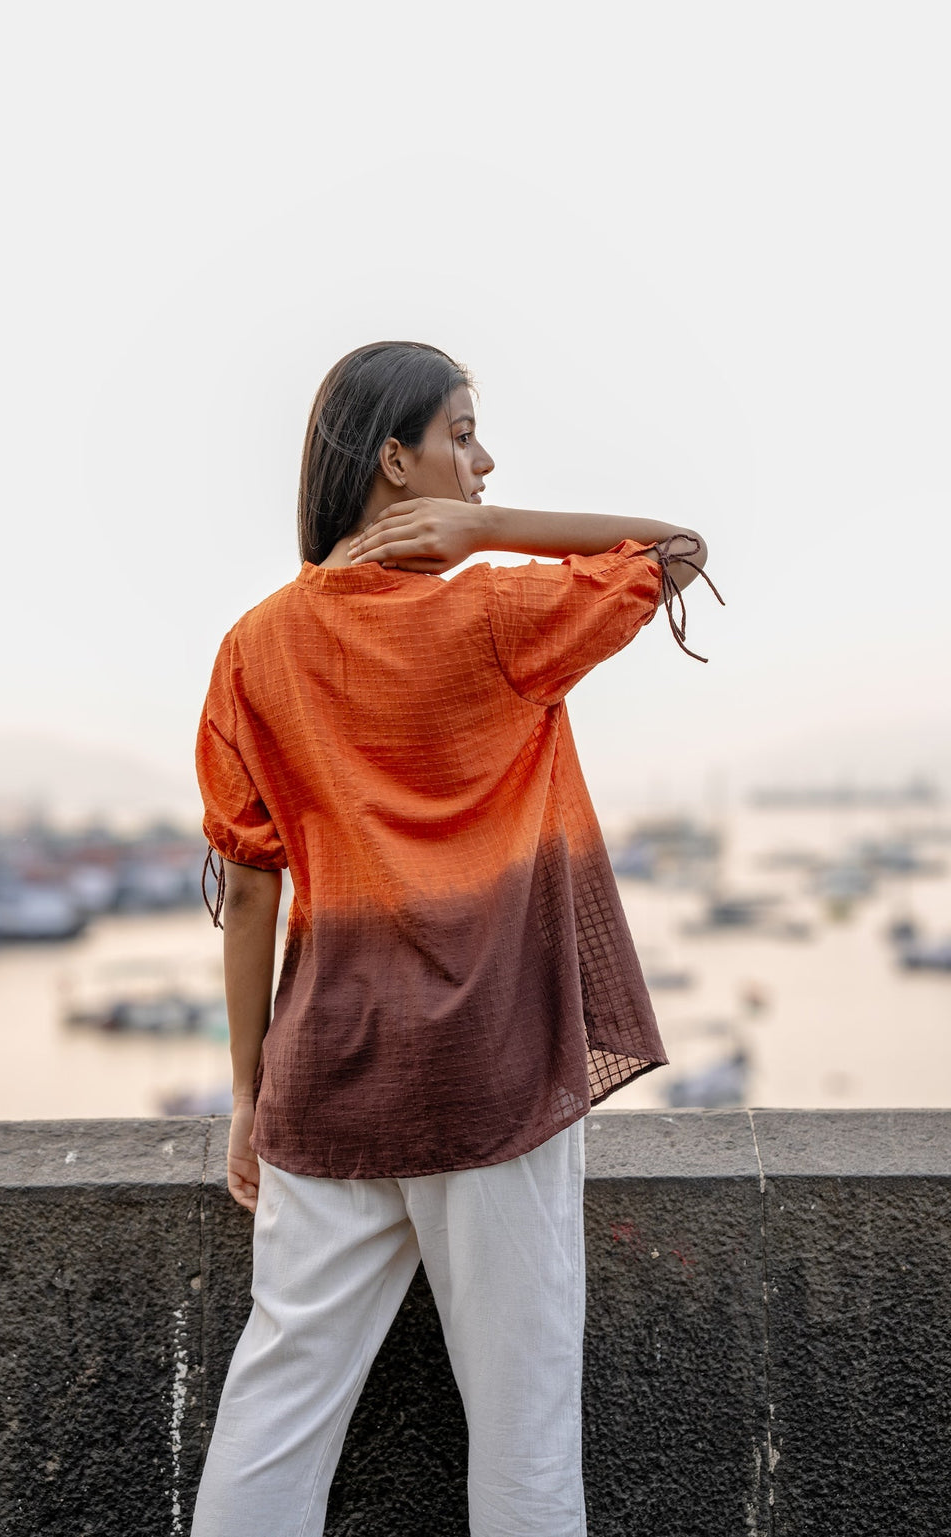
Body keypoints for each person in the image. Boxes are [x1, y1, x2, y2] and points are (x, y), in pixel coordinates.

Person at [189, 340, 723, 1537]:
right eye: (462, 436)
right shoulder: (497, 612)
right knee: (523, 1434)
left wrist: (248, 1093)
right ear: (396, 459)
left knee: (275, 1411)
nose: (483, 464)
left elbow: (252, 887)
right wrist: (484, 535)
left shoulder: (254, 647)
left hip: (326, 1080)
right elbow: (677, 546)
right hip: (493, 1073)